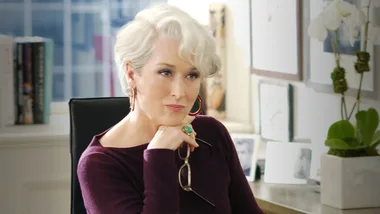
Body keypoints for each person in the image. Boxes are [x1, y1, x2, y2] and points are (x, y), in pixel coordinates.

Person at [77, 4, 264, 214]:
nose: (180, 92)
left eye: (191, 75)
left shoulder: (212, 134)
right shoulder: (99, 165)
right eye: (166, 72)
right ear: (131, 74)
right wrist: (159, 155)